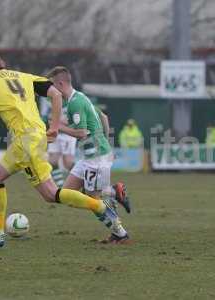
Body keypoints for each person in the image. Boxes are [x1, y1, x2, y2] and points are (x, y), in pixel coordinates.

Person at [0, 51, 121, 248]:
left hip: (25, 140)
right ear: (3, 64)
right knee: (0, 178)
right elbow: (55, 94)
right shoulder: (23, 76)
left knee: (50, 192)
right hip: (35, 136)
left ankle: (100, 205)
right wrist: (55, 127)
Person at [46, 66, 131, 243]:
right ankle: (114, 192)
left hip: (96, 159)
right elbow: (104, 117)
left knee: (93, 201)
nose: (50, 92)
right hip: (91, 157)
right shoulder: (79, 98)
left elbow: (82, 133)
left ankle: (120, 233)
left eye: (52, 87)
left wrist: (57, 126)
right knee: (67, 195)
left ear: (60, 84)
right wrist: (105, 142)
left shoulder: (75, 103)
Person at [41, 96, 77, 188]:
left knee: (68, 163)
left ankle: (84, 181)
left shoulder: (70, 97)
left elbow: (74, 119)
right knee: (52, 161)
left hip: (67, 134)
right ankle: (61, 187)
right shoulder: (45, 98)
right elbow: (44, 116)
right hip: (55, 133)